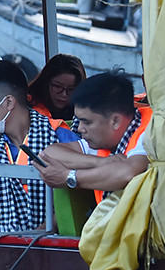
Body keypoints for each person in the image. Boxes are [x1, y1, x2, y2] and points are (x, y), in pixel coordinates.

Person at [0, 61, 79, 232]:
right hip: (7, 247)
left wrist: (38, 233)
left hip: (53, 247)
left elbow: (79, 201)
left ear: (8, 103)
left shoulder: (60, 137)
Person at [35, 71, 149, 201]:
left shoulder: (151, 131)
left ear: (115, 121)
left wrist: (70, 177)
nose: (80, 128)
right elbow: (48, 155)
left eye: (87, 122)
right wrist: (100, 162)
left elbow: (127, 173)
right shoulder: (102, 139)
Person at [28, 54, 86, 122]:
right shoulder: (28, 107)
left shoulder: (85, 111)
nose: (64, 94)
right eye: (57, 86)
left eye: (71, 89)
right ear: (46, 82)